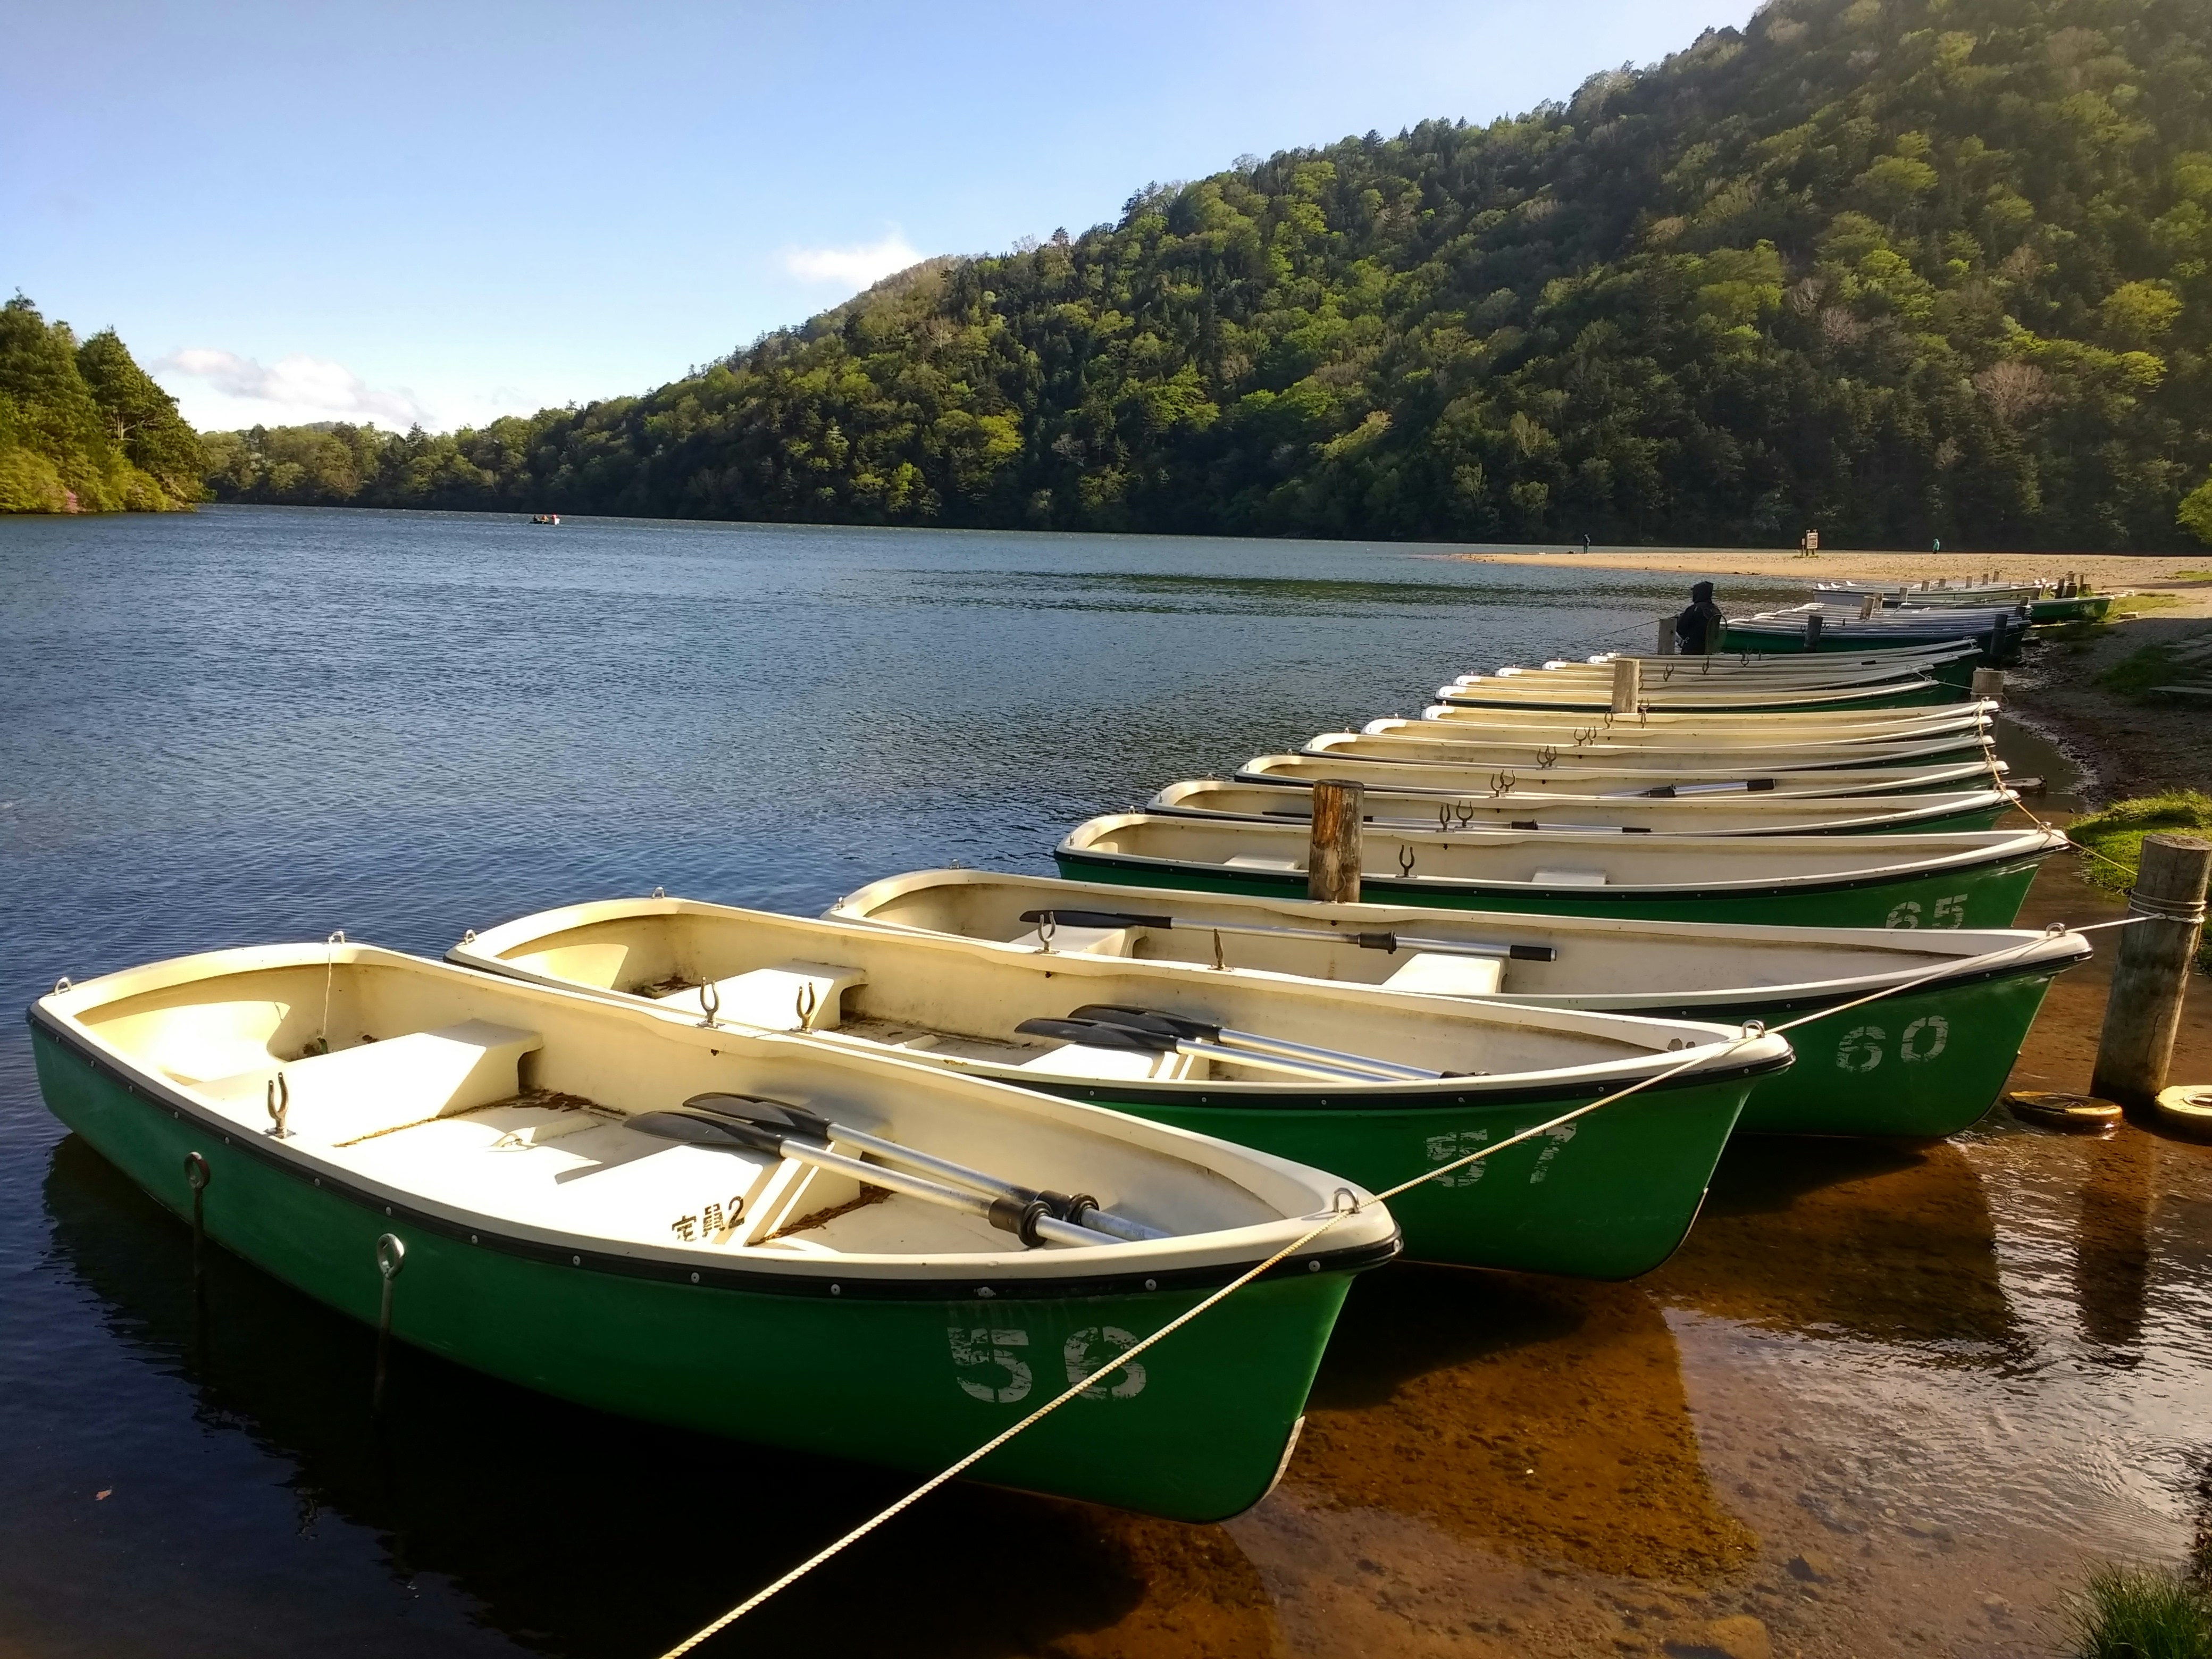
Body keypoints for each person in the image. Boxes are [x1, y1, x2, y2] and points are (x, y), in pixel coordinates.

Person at [1674, 580, 1724, 655]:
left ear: (1698, 594)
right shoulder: (1715, 609)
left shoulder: (1695, 609)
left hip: (1692, 650)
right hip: (1708, 649)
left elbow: (1681, 628)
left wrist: (1678, 619)